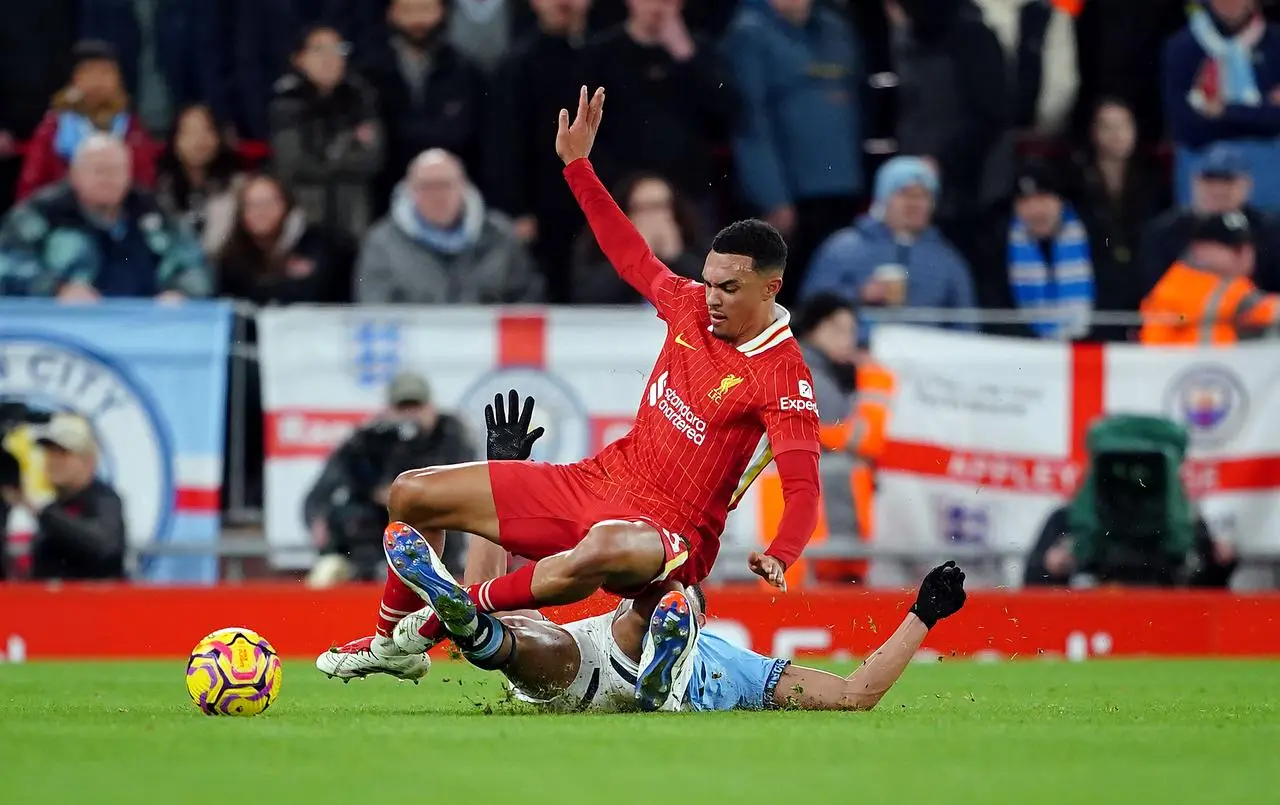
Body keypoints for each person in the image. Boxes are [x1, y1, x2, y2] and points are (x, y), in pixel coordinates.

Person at [319, 86, 822, 680]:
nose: (711, 296)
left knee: (604, 548)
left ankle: (444, 619)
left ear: (771, 288)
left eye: (728, 289)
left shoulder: (784, 375)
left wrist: (782, 551)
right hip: (598, 482)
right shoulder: (689, 306)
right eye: (709, 281)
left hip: (669, 534)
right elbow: (630, 254)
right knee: (410, 494)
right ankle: (391, 646)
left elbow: (803, 486)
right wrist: (578, 167)